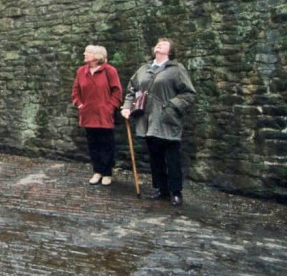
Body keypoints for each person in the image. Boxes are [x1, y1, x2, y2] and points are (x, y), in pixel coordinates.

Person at [121, 38, 196, 206]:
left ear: (170, 51)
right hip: (147, 120)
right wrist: (127, 107)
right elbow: (132, 89)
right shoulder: (144, 69)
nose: (159, 44)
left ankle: (176, 192)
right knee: (155, 157)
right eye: (158, 43)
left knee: (172, 157)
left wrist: (171, 106)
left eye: (164, 43)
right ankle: (161, 189)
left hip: (168, 120)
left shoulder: (177, 69)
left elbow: (189, 93)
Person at [71, 45, 123, 186]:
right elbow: (75, 91)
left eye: (88, 52)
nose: (84, 54)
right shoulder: (81, 71)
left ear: (98, 56)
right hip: (88, 114)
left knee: (106, 144)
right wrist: (80, 104)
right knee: (92, 144)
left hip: (104, 115)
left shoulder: (109, 70)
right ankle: (97, 171)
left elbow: (117, 92)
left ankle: (107, 173)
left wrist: (110, 107)